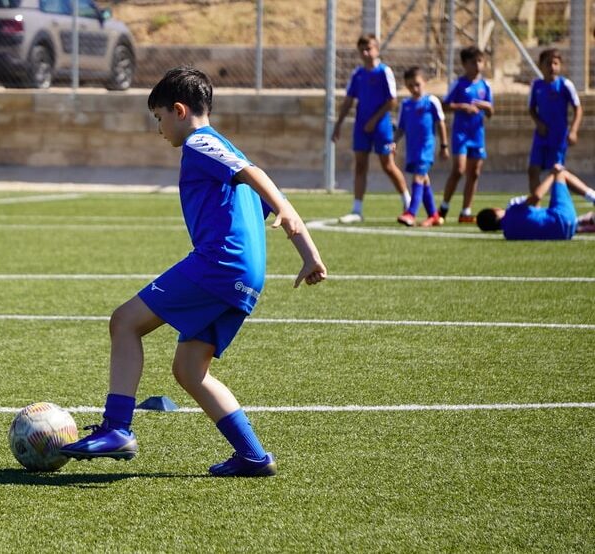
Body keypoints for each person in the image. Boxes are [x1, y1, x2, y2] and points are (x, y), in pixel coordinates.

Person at [59, 66, 327, 477]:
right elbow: (264, 190)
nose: (159, 129)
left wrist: (289, 214)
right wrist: (308, 254)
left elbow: (260, 180)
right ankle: (254, 456)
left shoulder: (200, 143)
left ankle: (116, 428)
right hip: (246, 278)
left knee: (125, 321)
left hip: (219, 264)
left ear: (179, 110)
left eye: (158, 118)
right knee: (189, 369)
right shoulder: (224, 148)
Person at [331, 34, 410, 223]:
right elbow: (349, 100)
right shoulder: (357, 74)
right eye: (362, 50)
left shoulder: (384, 72)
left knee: (387, 165)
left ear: (377, 49)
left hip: (381, 126)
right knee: (360, 165)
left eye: (369, 48)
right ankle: (357, 209)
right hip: (361, 126)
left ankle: (408, 202)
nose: (366, 53)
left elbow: (392, 100)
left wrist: (374, 120)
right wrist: (338, 124)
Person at [440, 46, 494, 223]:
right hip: (461, 134)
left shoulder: (485, 85)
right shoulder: (459, 83)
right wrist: (462, 106)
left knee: (475, 173)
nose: (477, 65)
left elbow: (491, 112)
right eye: (473, 62)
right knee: (459, 170)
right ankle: (444, 207)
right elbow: (445, 105)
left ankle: (465, 211)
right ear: (464, 64)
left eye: (480, 61)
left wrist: (486, 107)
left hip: (477, 134)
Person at [393, 66, 449, 227]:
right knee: (424, 181)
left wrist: (444, 146)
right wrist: (394, 142)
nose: (414, 89)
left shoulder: (431, 101)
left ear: (424, 82)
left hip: (426, 148)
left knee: (418, 177)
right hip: (413, 149)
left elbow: (441, 123)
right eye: (410, 86)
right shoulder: (406, 105)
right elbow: (401, 127)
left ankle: (411, 213)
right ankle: (434, 215)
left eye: (417, 84)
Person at [476, 166, 595, 240]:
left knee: (553, 219)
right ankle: (592, 197)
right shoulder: (512, 209)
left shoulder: (509, 235)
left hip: (565, 234)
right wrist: (552, 175)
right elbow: (537, 197)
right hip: (562, 217)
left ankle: (582, 222)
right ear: (495, 210)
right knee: (561, 174)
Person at [528, 48, 583, 193]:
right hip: (541, 135)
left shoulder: (565, 85)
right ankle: (536, 208)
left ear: (560, 65)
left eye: (555, 63)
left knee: (556, 172)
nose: (552, 67)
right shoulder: (536, 85)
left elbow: (578, 108)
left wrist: (574, 131)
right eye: (548, 63)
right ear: (541, 65)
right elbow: (531, 108)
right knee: (533, 170)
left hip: (558, 136)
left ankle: (558, 205)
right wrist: (538, 123)